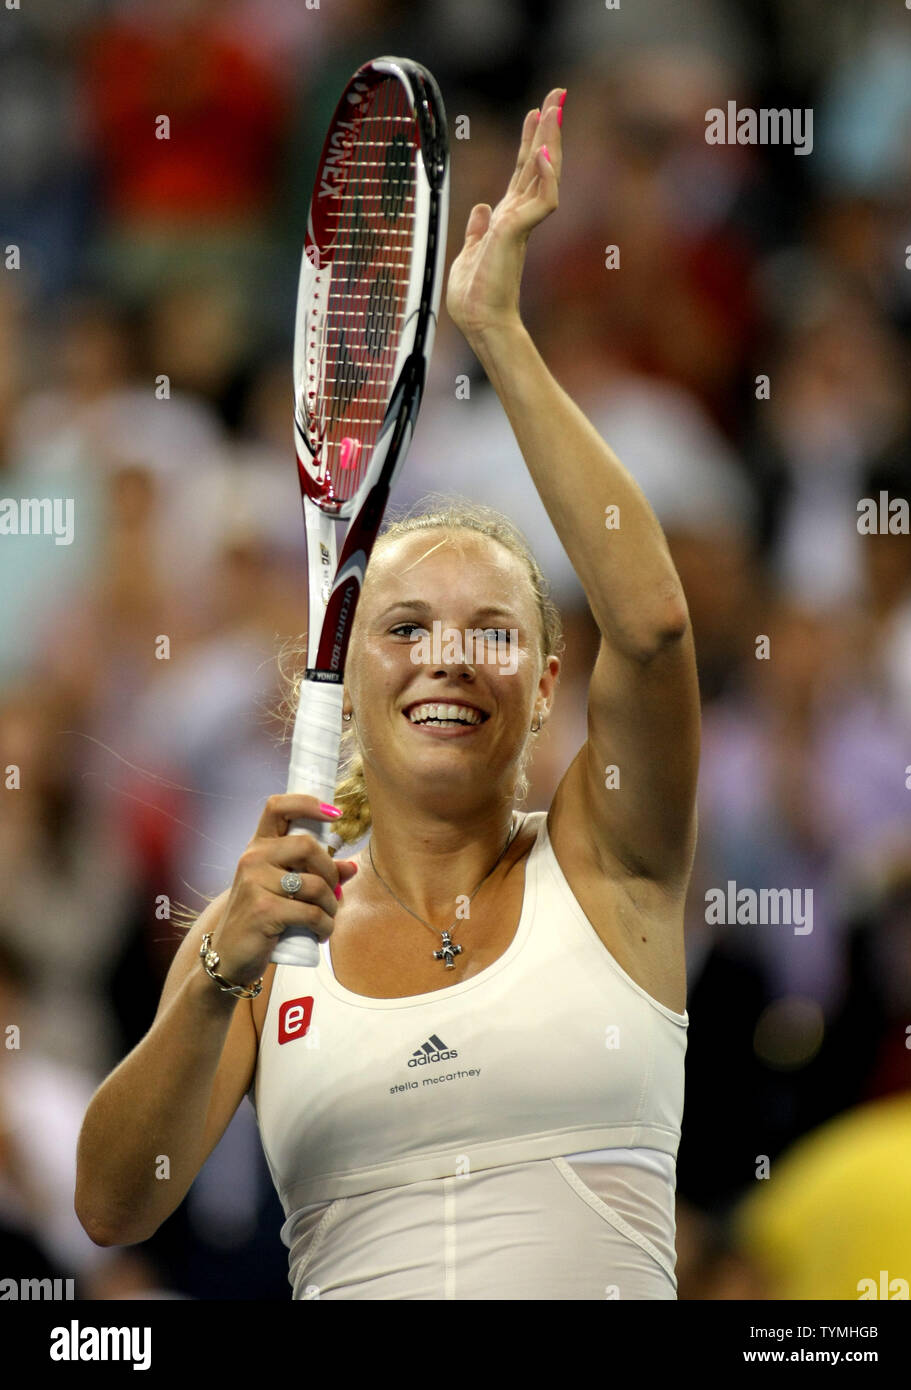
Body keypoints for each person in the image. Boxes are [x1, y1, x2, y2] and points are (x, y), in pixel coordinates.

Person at [76, 87, 701, 1299]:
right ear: (350, 675)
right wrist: (218, 977)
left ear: (549, 679)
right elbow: (112, 1201)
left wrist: (499, 332)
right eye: (405, 626)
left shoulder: (610, 859)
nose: (449, 656)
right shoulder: (260, 928)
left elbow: (656, 621)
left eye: (494, 632)